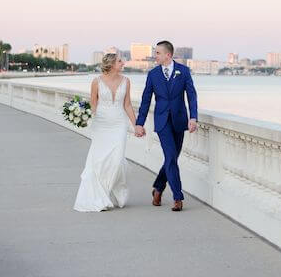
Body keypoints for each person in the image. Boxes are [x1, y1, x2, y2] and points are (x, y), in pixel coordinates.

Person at [135, 40, 198, 211]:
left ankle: (158, 188)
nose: (155, 56)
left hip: (179, 121)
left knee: (172, 158)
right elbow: (146, 100)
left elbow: (192, 95)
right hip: (162, 122)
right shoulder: (153, 74)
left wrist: (193, 117)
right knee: (171, 157)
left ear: (167, 55)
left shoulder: (183, 71)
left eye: (157, 53)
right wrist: (139, 123)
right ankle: (178, 197)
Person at [73, 53, 138, 212]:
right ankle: (100, 196)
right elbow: (93, 105)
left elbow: (128, 105)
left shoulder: (126, 81)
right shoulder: (96, 82)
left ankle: (107, 192)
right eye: (120, 61)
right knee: (99, 160)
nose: (123, 63)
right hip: (101, 125)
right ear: (111, 64)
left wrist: (136, 125)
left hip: (119, 124)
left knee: (116, 160)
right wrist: (83, 116)